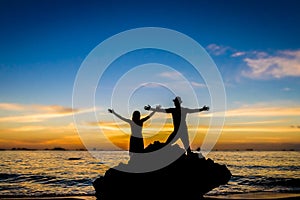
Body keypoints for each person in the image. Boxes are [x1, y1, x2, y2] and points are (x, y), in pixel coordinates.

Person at [144, 96, 209, 154]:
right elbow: (162, 110)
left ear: (178, 103)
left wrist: (202, 109)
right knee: (170, 144)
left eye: (175, 102)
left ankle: (188, 157)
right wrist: (151, 109)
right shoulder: (176, 110)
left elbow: (194, 110)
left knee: (185, 147)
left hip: (181, 131)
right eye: (175, 102)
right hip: (179, 131)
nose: (174, 103)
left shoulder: (180, 110)